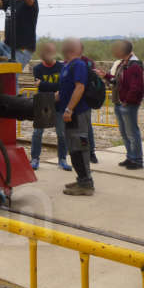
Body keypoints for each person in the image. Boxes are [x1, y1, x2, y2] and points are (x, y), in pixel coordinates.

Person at [95, 40, 144, 169]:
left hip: (127, 104)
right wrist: (105, 75)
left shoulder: (134, 65)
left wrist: (127, 101)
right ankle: (130, 157)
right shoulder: (123, 64)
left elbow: (136, 87)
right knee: (125, 132)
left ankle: (137, 160)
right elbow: (117, 81)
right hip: (120, 102)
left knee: (132, 133)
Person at [57, 38, 94, 195]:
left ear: (71, 49)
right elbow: (64, 90)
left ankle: (86, 184)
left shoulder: (78, 64)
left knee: (80, 146)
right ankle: (81, 179)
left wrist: (69, 109)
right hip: (71, 114)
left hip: (77, 113)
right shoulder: (68, 65)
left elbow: (80, 87)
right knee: (74, 148)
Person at [29, 42, 71, 171]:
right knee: (37, 133)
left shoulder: (62, 67)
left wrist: (44, 84)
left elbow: (64, 86)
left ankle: (62, 159)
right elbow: (41, 86)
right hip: (43, 104)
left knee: (62, 134)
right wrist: (53, 89)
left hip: (60, 105)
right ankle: (35, 159)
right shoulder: (37, 69)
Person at [78, 42, 99, 164]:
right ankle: (84, 152)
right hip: (77, 100)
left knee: (86, 127)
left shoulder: (88, 63)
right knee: (78, 128)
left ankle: (90, 152)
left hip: (85, 100)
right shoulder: (88, 62)